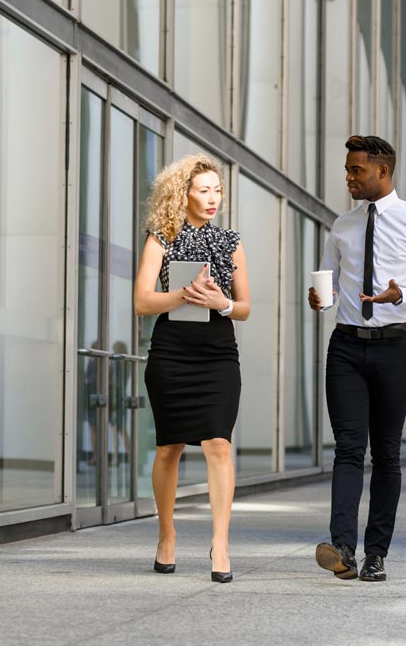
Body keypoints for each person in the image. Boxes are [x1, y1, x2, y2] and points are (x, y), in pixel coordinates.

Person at [308, 136, 406, 582]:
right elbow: (329, 286)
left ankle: (377, 553)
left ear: (382, 172)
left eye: (356, 171)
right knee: (348, 448)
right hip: (346, 347)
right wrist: (320, 299)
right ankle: (343, 548)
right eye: (348, 169)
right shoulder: (342, 225)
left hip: (393, 347)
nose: (348, 177)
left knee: (386, 452)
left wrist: (402, 293)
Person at [133, 153, 250, 583]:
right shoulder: (161, 237)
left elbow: (246, 308)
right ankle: (167, 535)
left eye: (217, 190)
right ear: (182, 193)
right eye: (203, 190)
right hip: (172, 353)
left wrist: (223, 304)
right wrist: (185, 294)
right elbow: (142, 302)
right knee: (170, 448)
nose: (213, 197)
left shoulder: (230, 241)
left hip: (218, 355)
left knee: (218, 443)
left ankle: (220, 544)